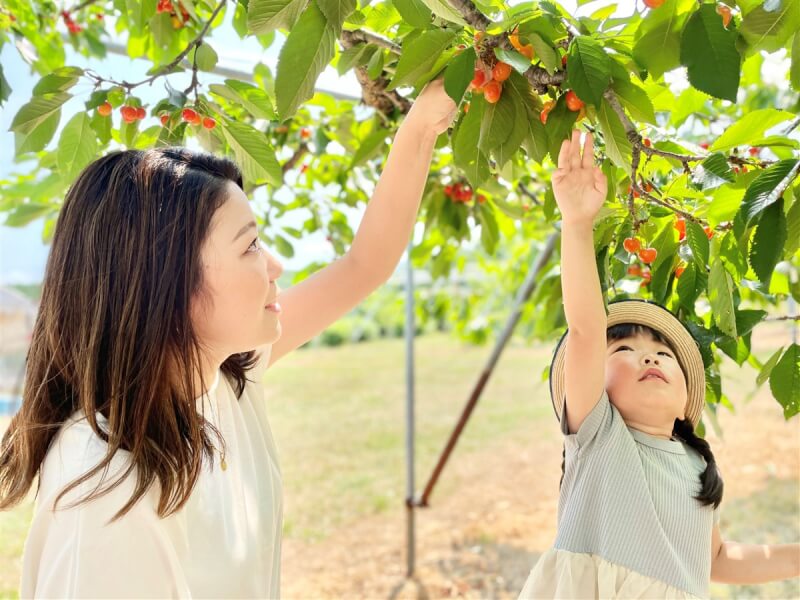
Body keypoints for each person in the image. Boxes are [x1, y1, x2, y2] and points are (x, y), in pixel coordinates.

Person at [0, 80, 457, 598]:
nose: (276, 265)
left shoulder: (224, 377)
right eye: (251, 246)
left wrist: (421, 125)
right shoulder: (104, 488)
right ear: (168, 287)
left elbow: (364, 264)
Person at [519, 129, 800, 599]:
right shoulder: (598, 437)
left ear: (688, 395)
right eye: (624, 350)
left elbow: (715, 559)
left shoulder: (693, 462)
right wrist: (577, 224)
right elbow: (587, 330)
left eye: (664, 353)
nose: (648, 354)